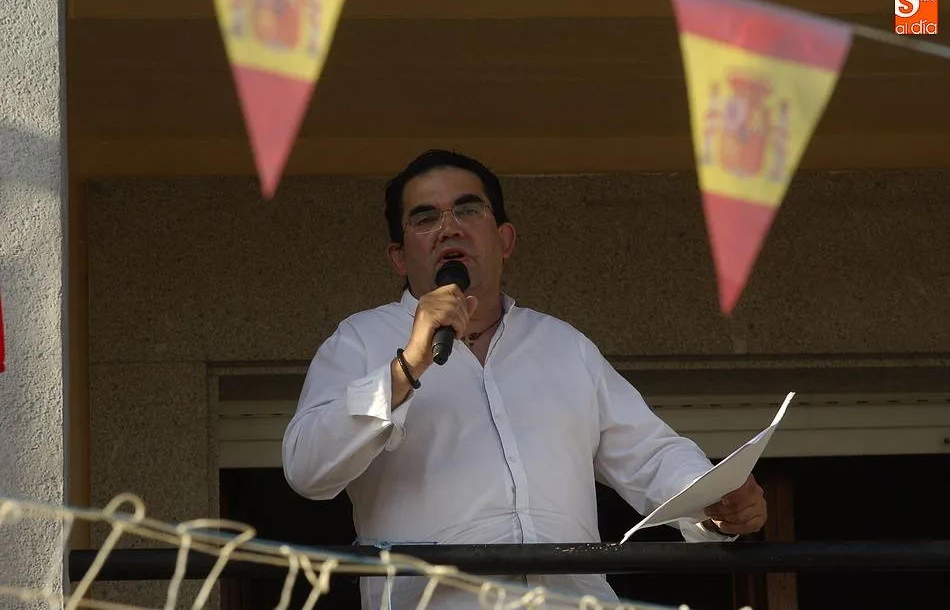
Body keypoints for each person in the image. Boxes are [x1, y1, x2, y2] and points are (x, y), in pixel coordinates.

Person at [282, 149, 767, 609]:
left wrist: (716, 502)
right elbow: (307, 468)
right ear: (399, 257)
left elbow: (650, 454)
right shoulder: (360, 340)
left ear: (505, 240)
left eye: (468, 210)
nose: (449, 228)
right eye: (425, 218)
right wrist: (406, 368)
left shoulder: (563, 346)